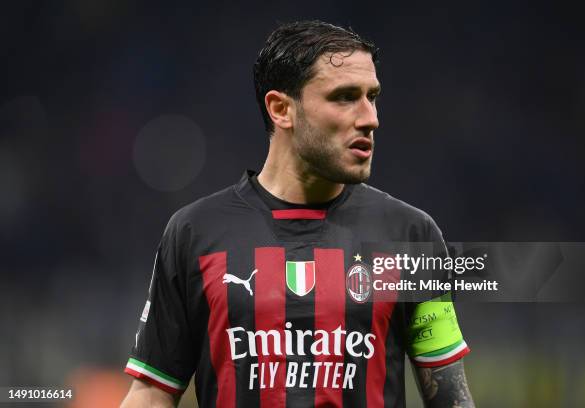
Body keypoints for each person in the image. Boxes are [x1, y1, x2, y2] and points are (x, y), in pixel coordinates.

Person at [121, 20, 474, 408]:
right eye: (344, 97)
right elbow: (152, 394)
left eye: (372, 96)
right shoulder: (194, 233)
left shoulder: (412, 235)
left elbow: (450, 398)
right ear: (281, 109)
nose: (370, 117)